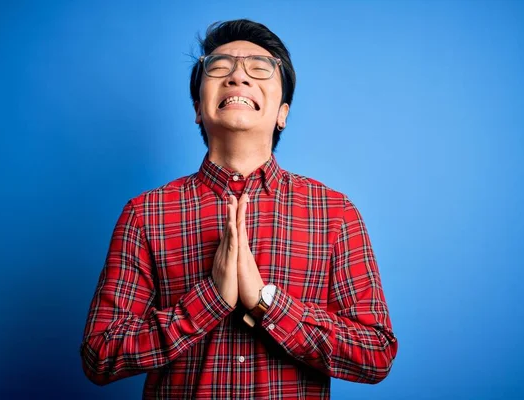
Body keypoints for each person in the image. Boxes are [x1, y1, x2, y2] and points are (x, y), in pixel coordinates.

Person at [80, 19, 398, 399]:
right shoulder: (146, 213)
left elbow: (376, 352)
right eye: (219, 66)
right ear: (198, 107)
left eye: (260, 68)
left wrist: (267, 303)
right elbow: (99, 355)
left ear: (282, 112)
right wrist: (209, 300)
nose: (238, 77)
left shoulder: (334, 213)